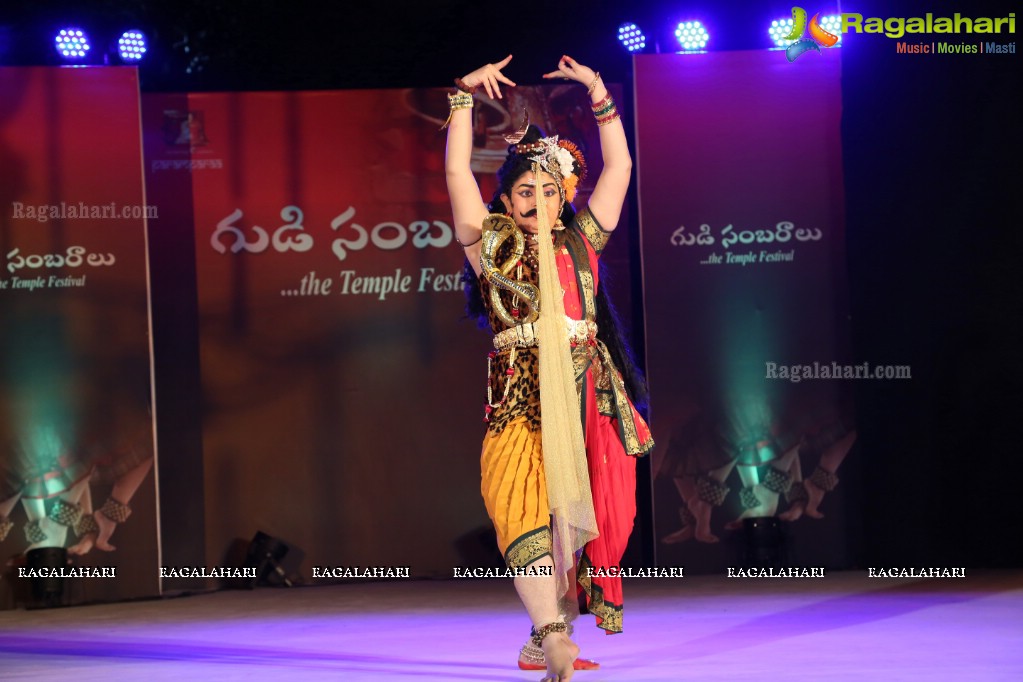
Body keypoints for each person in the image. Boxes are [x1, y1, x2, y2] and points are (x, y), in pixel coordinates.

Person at [444, 55, 654, 681]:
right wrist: (461, 98)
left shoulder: (582, 240)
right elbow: (457, 170)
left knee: (574, 529)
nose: (536, 201)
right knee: (523, 510)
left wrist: (598, 94)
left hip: (588, 397)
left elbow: (618, 166)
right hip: (520, 403)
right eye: (523, 192)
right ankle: (555, 636)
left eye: (548, 190)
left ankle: (543, 636)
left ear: (565, 198)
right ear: (505, 199)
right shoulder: (489, 244)